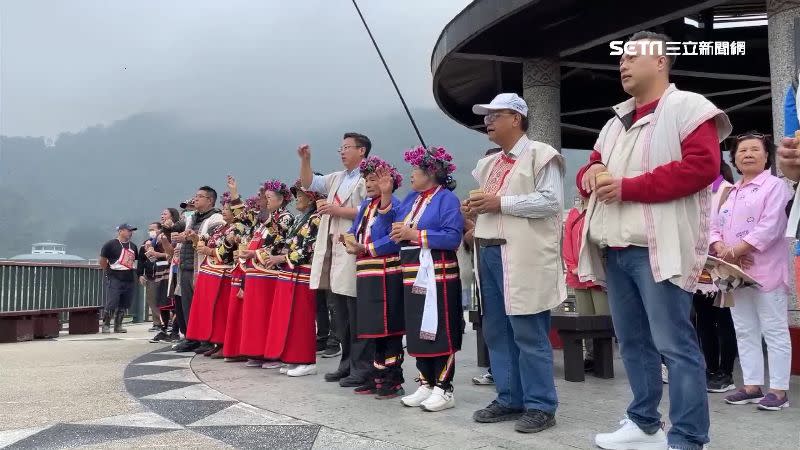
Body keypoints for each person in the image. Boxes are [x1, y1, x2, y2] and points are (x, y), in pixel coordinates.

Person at [575, 31, 731, 450]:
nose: (622, 65)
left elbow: (701, 167)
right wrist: (588, 175)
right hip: (617, 247)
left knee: (675, 346)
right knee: (633, 343)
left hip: (658, 247)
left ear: (660, 60)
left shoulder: (689, 106)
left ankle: (688, 436)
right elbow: (590, 167)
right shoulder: (614, 121)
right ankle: (644, 423)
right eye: (620, 59)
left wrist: (629, 187)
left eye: (631, 56)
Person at [467, 93, 565, 433]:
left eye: (496, 115)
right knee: (496, 330)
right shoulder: (490, 163)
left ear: (516, 118)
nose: (488, 121)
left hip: (524, 254)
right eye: (487, 115)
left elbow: (551, 201)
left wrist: (499, 202)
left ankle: (541, 405)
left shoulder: (542, 154)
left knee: (528, 329)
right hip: (489, 250)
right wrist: (476, 207)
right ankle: (510, 397)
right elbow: (491, 203)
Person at [710, 133, 792, 411]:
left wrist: (738, 249)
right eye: (742, 150)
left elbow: (772, 226)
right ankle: (752, 386)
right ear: (733, 159)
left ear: (767, 155)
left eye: (755, 149)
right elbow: (712, 227)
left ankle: (779, 391)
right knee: (744, 329)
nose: (747, 154)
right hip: (734, 273)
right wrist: (722, 247)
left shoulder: (777, 186)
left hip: (766, 271)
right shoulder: (728, 192)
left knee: (774, 330)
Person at [378, 145, 463, 413]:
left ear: (432, 172)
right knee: (417, 329)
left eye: (416, 169)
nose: (411, 175)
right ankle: (426, 382)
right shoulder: (412, 200)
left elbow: (452, 237)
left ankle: (444, 387)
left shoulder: (446, 199)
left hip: (439, 273)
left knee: (440, 328)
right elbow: (389, 229)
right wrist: (386, 195)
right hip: (412, 273)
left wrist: (415, 234)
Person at [298, 134, 371, 387]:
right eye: (341, 148)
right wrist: (306, 160)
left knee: (355, 310)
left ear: (362, 151)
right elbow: (310, 182)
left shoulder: (367, 177)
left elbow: (371, 209)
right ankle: (346, 363)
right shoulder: (338, 178)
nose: (342, 152)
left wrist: (338, 211)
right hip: (334, 247)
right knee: (340, 310)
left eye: (347, 148)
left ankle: (361, 366)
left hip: (354, 247)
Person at [342, 156, 405, 398]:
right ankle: (376, 375)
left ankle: (392, 378)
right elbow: (355, 230)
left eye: (373, 180)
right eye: (366, 180)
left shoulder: (395, 205)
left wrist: (366, 248)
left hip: (386, 272)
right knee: (372, 327)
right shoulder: (366, 208)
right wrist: (349, 240)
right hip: (368, 273)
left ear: (387, 182)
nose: (368, 184)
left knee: (388, 327)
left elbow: (394, 237)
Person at [262, 179, 323, 377]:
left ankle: (306, 359)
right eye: (296, 194)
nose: (297, 198)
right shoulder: (300, 218)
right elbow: (288, 241)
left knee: (302, 317)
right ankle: (291, 357)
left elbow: (311, 246)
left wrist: (283, 256)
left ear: (312, 197)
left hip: (303, 271)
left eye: (301, 195)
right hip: (290, 271)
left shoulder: (317, 218)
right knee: (289, 316)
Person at [693, 157, 738, 393]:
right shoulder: (695, 192)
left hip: (723, 263)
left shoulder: (729, 190)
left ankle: (726, 372)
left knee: (725, 319)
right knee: (704, 320)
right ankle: (710, 369)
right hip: (699, 264)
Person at [238, 180, 293, 368]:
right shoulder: (266, 220)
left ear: (281, 200)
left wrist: (255, 253)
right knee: (254, 315)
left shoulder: (285, 218)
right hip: (256, 272)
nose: (266, 201)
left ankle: (271, 354)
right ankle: (255, 352)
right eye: (265, 197)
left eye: (269, 197)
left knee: (266, 314)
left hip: (270, 272)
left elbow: (279, 244)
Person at [186, 182, 241, 358]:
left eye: (228, 209)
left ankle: (225, 343)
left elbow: (225, 252)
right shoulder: (220, 228)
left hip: (223, 274)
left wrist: (209, 251)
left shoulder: (236, 229)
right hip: (211, 272)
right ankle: (217, 342)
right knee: (212, 311)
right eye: (223, 208)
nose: (224, 211)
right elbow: (205, 241)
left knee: (222, 310)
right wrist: (195, 238)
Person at [172, 187, 225, 352]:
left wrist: (187, 237)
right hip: (186, 266)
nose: (195, 199)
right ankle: (191, 337)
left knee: (202, 305)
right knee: (188, 305)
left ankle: (206, 339)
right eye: (195, 196)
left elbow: (212, 240)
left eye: (200, 196)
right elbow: (176, 228)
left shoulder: (216, 218)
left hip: (203, 267)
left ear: (210, 200)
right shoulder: (192, 217)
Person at [466, 147, 501, 387]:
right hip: (483, 263)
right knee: (492, 322)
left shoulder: (503, 194)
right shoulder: (482, 198)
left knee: (514, 325)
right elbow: (471, 236)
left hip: (508, 261)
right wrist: (468, 217)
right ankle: (496, 369)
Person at [563, 195, 609, 373]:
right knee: (585, 319)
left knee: (602, 318)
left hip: (596, 273)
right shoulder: (574, 214)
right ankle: (590, 356)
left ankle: (603, 358)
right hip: (577, 276)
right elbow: (567, 242)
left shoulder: (599, 210)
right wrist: (572, 266)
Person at [222, 193, 261, 362]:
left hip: (255, 269)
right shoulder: (253, 225)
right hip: (243, 267)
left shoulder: (267, 224)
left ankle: (248, 350)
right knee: (237, 312)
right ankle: (236, 349)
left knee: (250, 312)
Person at [99, 224, 139, 334]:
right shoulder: (110, 244)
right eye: (128, 230)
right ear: (120, 231)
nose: (131, 233)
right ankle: (106, 324)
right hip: (115, 276)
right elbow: (103, 260)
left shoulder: (133, 246)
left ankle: (118, 325)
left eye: (132, 231)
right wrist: (108, 270)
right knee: (113, 301)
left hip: (129, 276)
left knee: (125, 302)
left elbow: (134, 261)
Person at [138, 222, 169, 332]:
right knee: (152, 300)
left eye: (153, 229)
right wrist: (140, 274)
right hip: (151, 275)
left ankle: (167, 322)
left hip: (165, 274)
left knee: (165, 300)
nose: (151, 232)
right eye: (149, 229)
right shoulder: (146, 244)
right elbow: (141, 260)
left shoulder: (165, 241)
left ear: (160, 230)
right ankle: (157, 323)